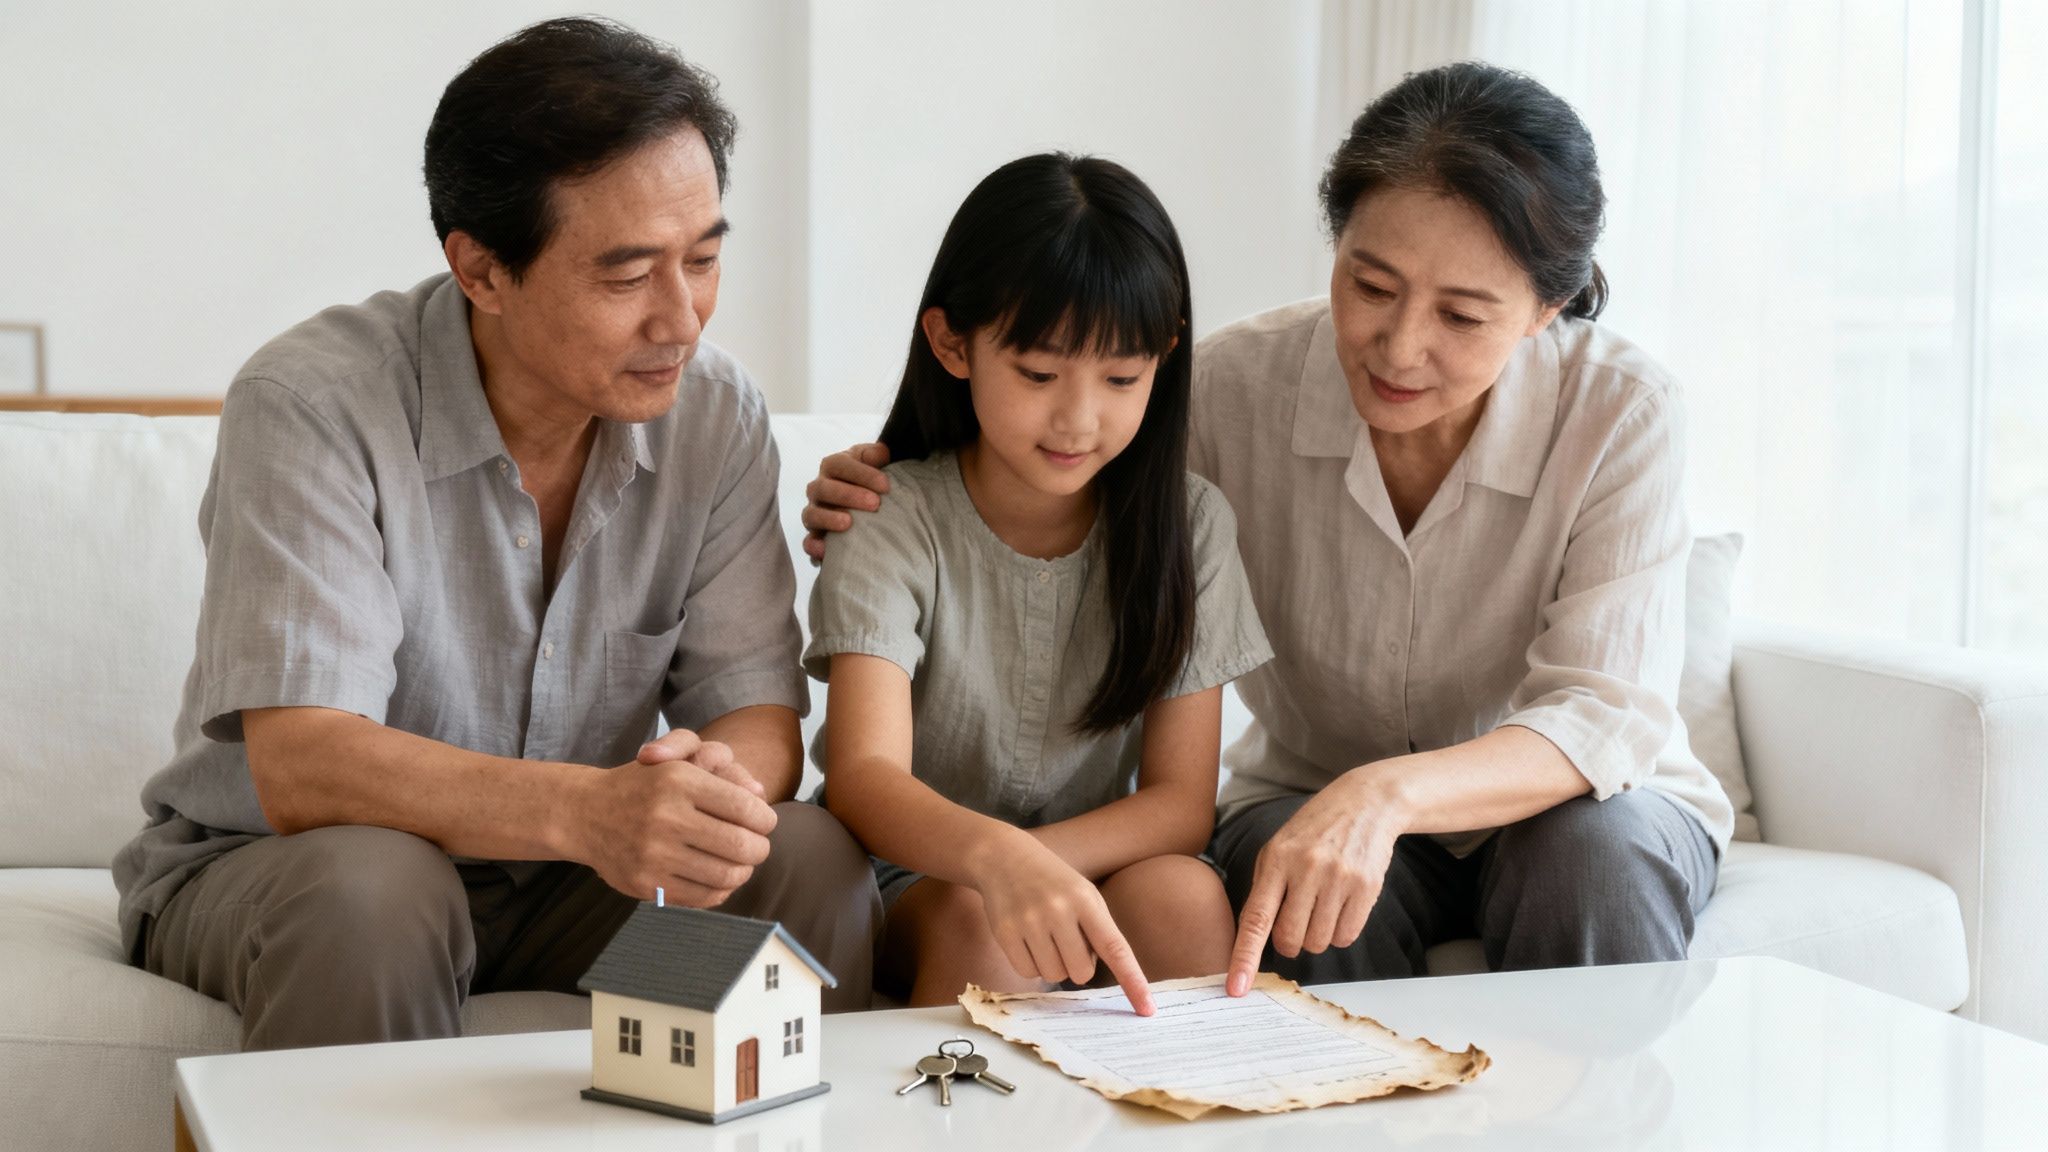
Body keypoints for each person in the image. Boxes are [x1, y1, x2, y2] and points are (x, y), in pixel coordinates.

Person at [803, 63, 1730, 995]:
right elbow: (1041, 470)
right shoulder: (1226, 391)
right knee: (1291, 890)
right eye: (1371, 286)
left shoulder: (1622, 410)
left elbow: (1602, 712)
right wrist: (877, 482)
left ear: (1546, 310)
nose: (1401, 348)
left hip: (1564, 809)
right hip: (1304, 800)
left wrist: (1384, 795)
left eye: (1460, 315)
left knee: (1587, 856)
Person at [112, 17, 880, 1051]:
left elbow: (756, 716)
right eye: (626, 275)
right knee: (378, 889)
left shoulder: (717, 414)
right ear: (480, 272)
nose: (682, 318)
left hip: (578, 894)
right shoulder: (313, 401)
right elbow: (306, 766)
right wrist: (588, 813)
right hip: (297, 872)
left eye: (701, 259)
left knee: (803, 856)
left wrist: (706, 797)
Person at [805, 154, 1273, 1012]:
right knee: (989, 926)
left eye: (1121, 378)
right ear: (953, 344)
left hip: (1096, 858)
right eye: (1038, 374)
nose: (1079, 418)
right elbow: (865, 776)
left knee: (1183, 895)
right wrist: (997, 862)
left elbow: (1178, 805)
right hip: (920, 873)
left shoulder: (1192, 523)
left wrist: (1038, 861)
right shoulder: (890, 514)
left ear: (1164, 357)